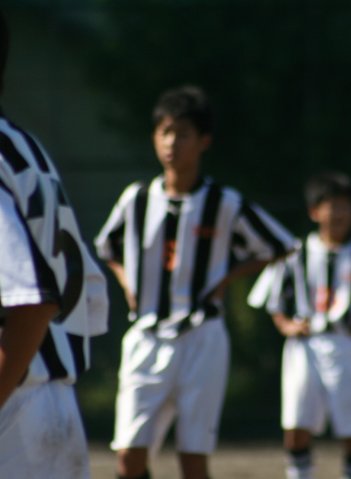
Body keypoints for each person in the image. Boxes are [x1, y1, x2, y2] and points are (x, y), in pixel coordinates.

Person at [0, 1, 109, 478]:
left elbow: (30, 301)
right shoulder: (25, 149)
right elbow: (84, 296)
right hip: (44, 403)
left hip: (0, 419)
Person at [95, 85, 295, 479]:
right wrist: (127, 282)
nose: (172, 142)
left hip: (203, 338)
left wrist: (227, 278)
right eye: (165, 132)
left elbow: (280, 245)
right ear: (154, 137)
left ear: (204, 141)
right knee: (128, 457)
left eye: (183, 133)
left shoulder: (224, 202)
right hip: (146, 336)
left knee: (193, 458)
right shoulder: (135, 199)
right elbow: (107, 247)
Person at [248, 171, 351, 479]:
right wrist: (287, 326)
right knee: (296, 426)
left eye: (345, 206)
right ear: (314, 211)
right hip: (305, 347)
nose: (340, 213)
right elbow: (272, 300)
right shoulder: (296, 253)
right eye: (332, 206)